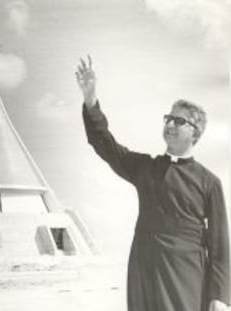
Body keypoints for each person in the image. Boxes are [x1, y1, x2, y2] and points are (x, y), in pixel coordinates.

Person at [76, 55, 230, 311]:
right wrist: (90, 100)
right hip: (145, 268)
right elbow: (104, 144)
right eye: (168, 118)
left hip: (187, 275)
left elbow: (220, 244)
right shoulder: (146, 168)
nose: (170, 123)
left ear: (195, 131)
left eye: (179, 121)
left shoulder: (209, 182)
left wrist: (220, 296)